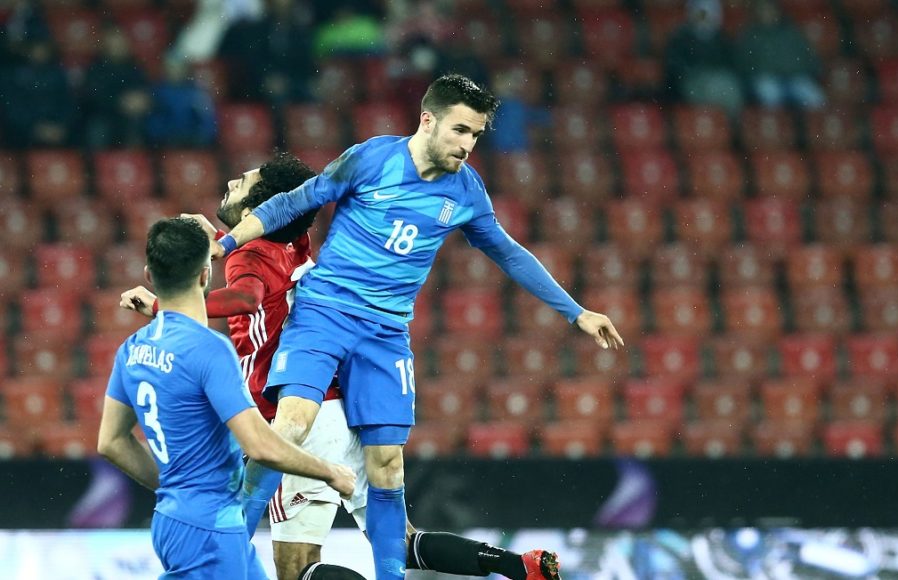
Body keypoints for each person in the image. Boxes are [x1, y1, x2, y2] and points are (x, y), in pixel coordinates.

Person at [212, 73, 624, 580]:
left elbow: (508, 253)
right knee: (291, 424)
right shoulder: (371, 159)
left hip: (386, 335)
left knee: (388, 467)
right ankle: (227, 552)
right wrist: (224, 245)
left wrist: (576, 312)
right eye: (460, 130)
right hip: (324, 314)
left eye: (476, 135)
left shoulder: (467, 191)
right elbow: (292, 202)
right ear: (428, 120)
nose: (467, 145)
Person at [121, 152, 565, 580]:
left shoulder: (247, 255)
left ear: (257, 209)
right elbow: (275, 237)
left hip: (289, 416)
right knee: (399, 543)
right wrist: (212, 240)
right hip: (337, 405)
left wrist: (165, 304)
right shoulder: (295, 240)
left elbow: (247, 296)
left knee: (296, 570)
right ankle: (515, 565)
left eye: (243, 183)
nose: (232, 182)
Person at [98, 217, 357, 579]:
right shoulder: (209, 350)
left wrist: (176, 489)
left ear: (149, 275)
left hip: (181, 517)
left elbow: (111, 442)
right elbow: (259, 444)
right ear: (206, 275)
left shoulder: (132, 349)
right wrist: (329, 472)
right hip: (210, 526)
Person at [734, 0, 825, 109]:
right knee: (770, 94)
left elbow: (807, 56)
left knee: (815, 98)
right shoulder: (750, 35)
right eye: (763, 10)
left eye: (770, 10)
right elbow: (745, 64)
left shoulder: (791, 31)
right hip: (767, 79)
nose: (767, 13)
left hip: (795, 77)